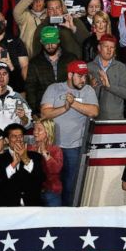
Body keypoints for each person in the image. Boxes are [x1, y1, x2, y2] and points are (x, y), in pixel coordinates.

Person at [40, 60, 99, 206]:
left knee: (70, 187)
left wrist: (73, 103)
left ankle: (68, 220)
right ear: (70, 74)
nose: (83, 79)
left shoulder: (88, 91)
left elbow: (94, 111)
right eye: (79, 76)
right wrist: (65, 108)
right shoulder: (54, 89)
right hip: (52, 147)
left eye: (85, 76)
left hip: (74, 147)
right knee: (49, 185)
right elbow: (44, 113)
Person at [0, 123, 46, 207]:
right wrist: (13, 164)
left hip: (32, 207)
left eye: (20, 136)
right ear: (6, 140)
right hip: (7, 207)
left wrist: (26, 159)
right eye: (14, 136)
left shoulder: (35, 156)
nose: (18, 139)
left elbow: (41, 179)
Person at [30, 118, 64, 207]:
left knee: (54, 219)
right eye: (34, 129)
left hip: (51, 192)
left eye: (39, 130)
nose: (35, 132)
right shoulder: (29, 149)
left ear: (48, 132)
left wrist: (45, 153)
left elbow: (55, 170)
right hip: (34, 192)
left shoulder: (55, 150)